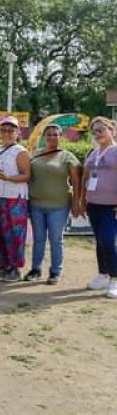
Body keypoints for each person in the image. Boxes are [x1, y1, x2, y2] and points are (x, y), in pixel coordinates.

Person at [26, 123, 81, 284]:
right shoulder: (34, 154)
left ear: (61, 137)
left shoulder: (67, 156)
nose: (52, 137)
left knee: (56, 239)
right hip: (36, 204)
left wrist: (77, 202)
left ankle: (55, 271)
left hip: (59, 206)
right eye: (48, 134)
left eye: (55, 134)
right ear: (44, 137)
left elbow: (76, 181)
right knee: (39, 238)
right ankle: (36, 269)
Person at [0, 116, 31, 282]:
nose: (6, 133)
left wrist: (8, 178)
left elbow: (27, 175)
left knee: (14, 234)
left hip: (14, 199)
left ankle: (15, 268)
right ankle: (2, 266)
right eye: (3, 130)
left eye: (11, 130)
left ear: (17, 132)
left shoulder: (20, 151)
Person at [79, 117, 117, 298]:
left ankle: (115, 279)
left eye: (101, 129)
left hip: (112, 206)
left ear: (112, 130)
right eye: (94, 131)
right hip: (94, 204)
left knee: (108, 242)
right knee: (100, 241)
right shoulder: (93, 153)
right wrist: (83, 199)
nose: (97, 134)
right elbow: (86, 177)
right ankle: (102, 275)